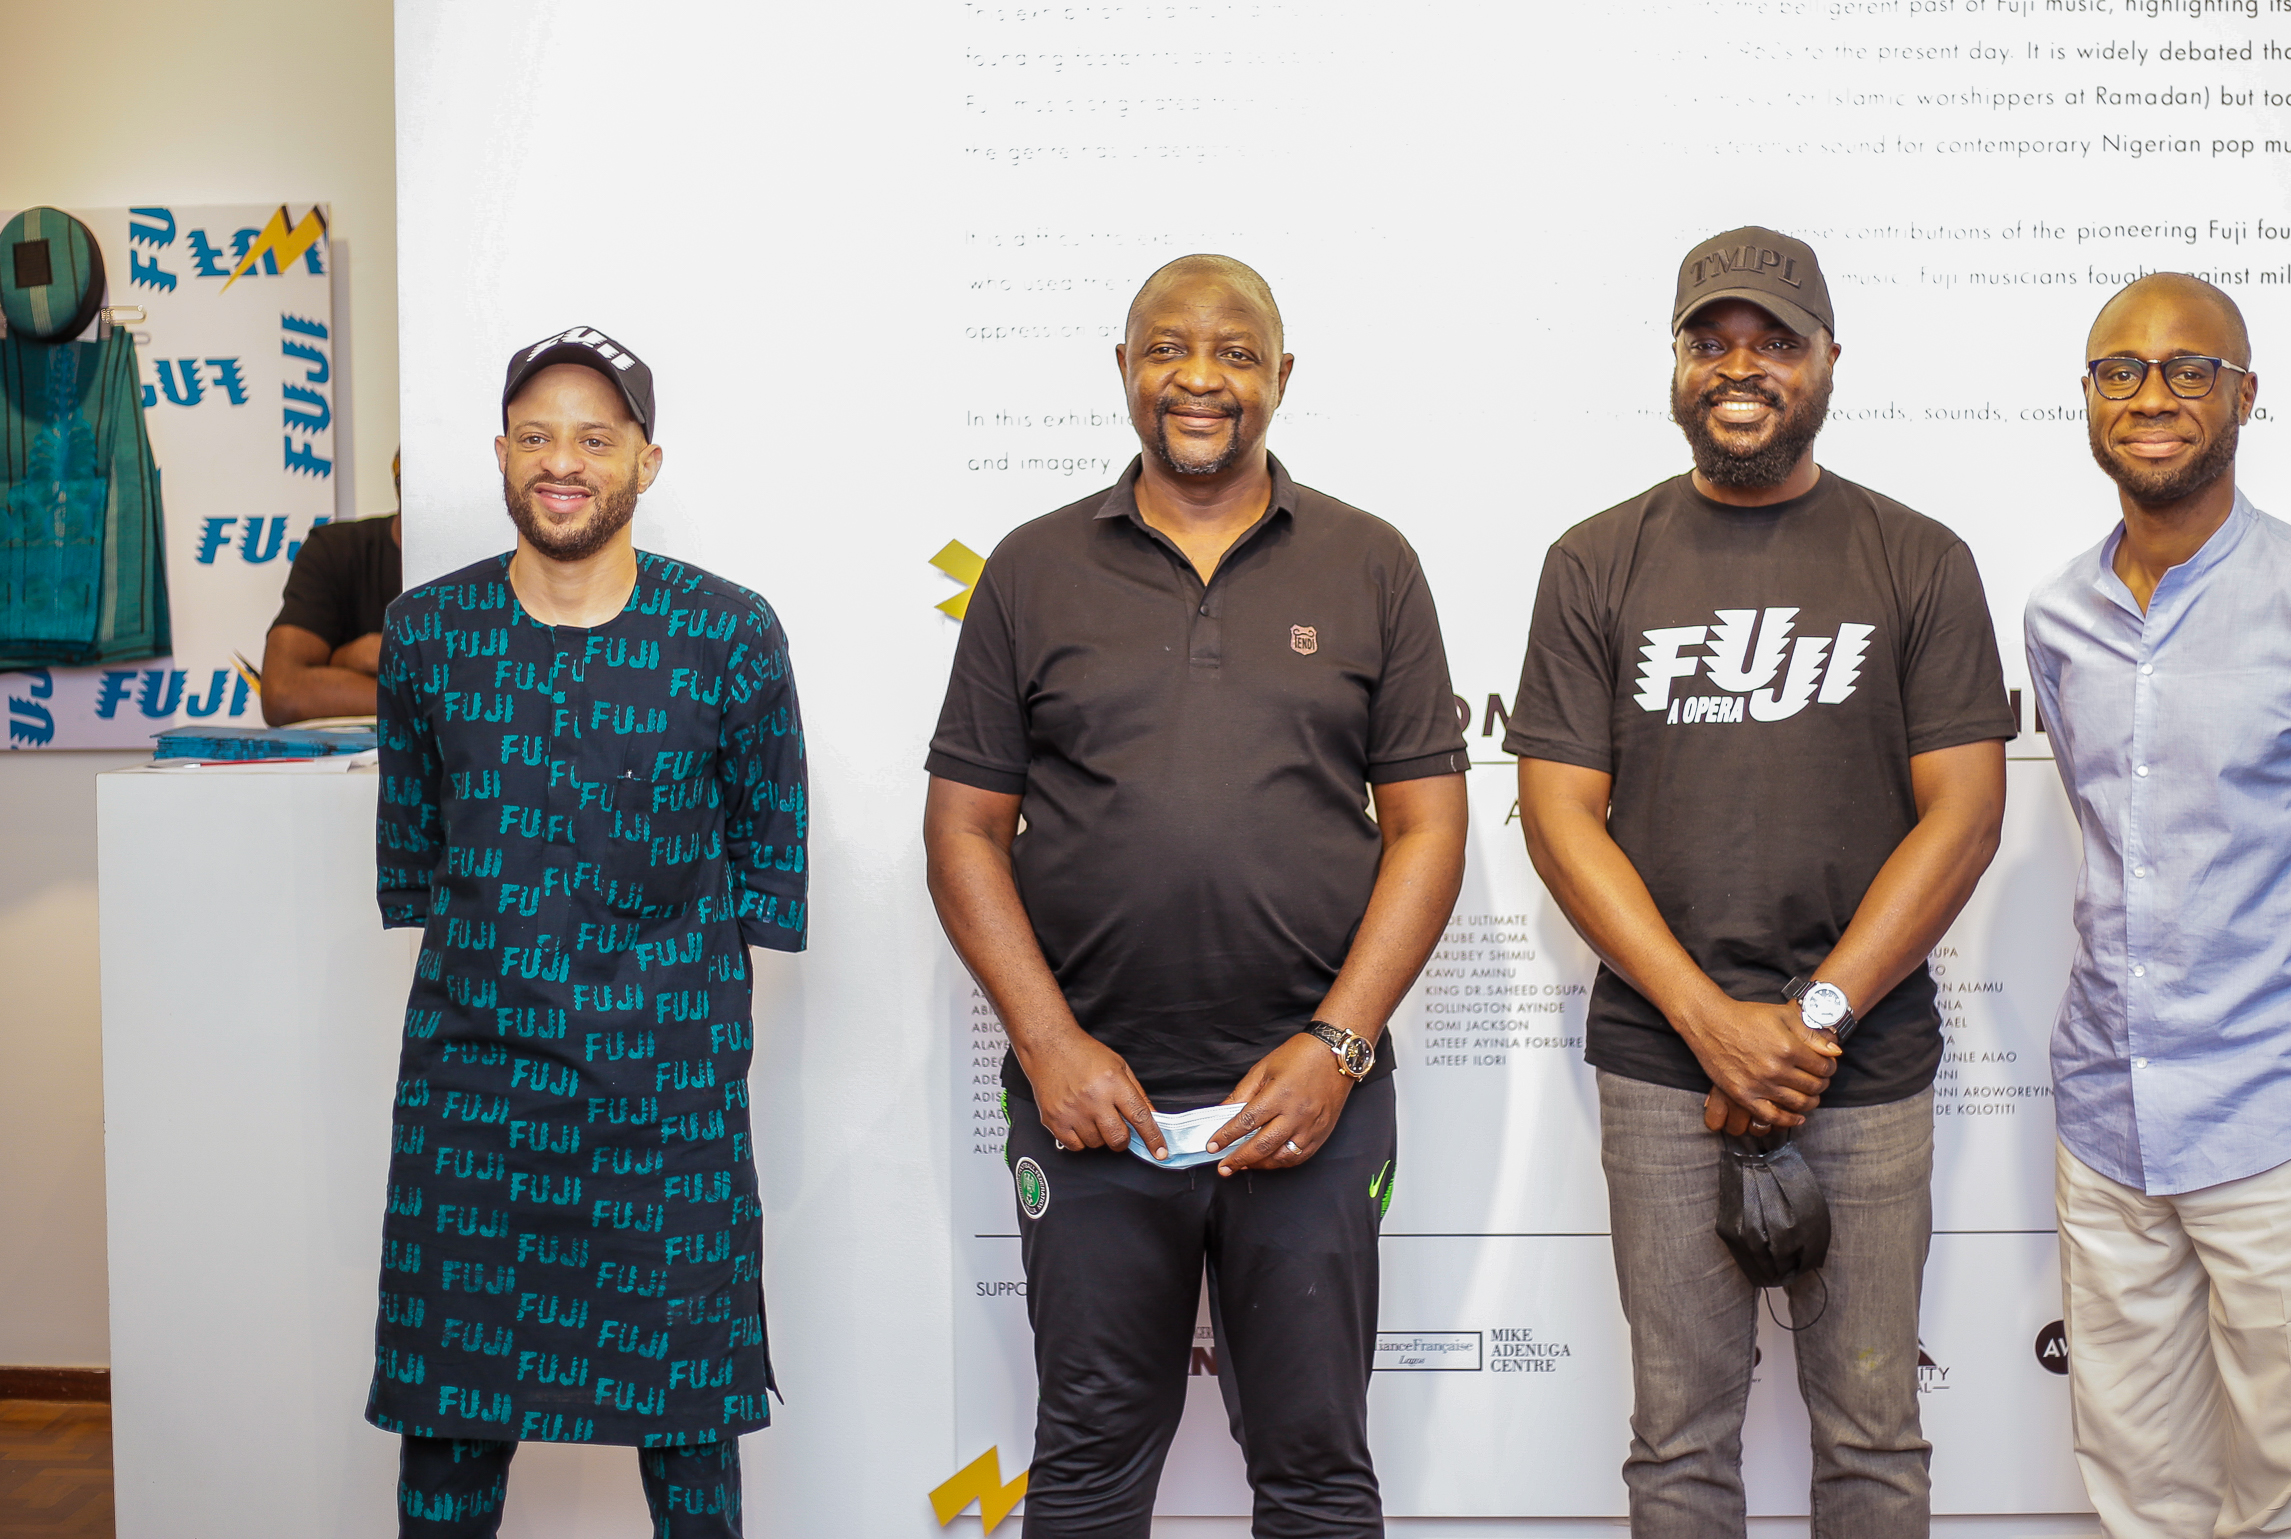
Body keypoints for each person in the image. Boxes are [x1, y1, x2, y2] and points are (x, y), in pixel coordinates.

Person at [924, 255, 1469, 1538]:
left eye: (1235, 350)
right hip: (1092, 1109)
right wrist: (1048, 1046)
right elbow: (962, 831)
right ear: (1124, 368)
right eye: (1168, 347)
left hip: (1310, 1104)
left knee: (1317, 1471)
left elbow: (1429, 828)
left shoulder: (1370, 562)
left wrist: (1338, 1046)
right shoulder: (1031, 568)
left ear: (1282, 375)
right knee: (1086, 1470)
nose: (1200, 377)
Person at [1505, 227, 2014, 1537]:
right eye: (1710, 340)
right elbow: (1558, 820)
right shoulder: (1594, 560)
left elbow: (1963, 815)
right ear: (1676, 363)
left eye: (1774, 340)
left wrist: (1813, 1018)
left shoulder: (1917, 557)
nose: (1740, 366)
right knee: (1678, 1444)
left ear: (1828, 359)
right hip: (1663, 1066)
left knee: (1874, 1438)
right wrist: (1712, 1024)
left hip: (1865, 1062)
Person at [2024, 274, 2291, 1539]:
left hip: (2279, 1116)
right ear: (2089, 397)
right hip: (2105, 1113)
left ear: (2244, 394)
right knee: (2134, 1485)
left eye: (2189, 368)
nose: (2151, 395)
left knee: (2287, 1495)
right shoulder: (2055, 618)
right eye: (2120, 369)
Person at [369, 327, 808, 1539]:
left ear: (645, 463)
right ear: (501, 453)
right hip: (472, 1108)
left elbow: (764, 868)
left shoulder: (729, 635)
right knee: (447, 1435)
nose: (563, 460)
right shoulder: (425, 634)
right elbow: (417, 862)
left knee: (692, 1441)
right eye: (537, 434)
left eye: (595, 438)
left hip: (665, 1114)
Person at [261, 451, 403, 725]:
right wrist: (437, 700)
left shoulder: (488, 564)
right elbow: (283, 693)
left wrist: (344, 660)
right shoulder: (337, 549)